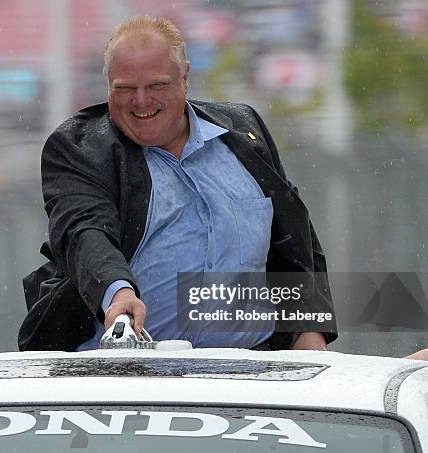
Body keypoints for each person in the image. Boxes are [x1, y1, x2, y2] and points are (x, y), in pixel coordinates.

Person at [18, 15, 337, 352]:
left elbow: (293, 237)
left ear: (185, 77)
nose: (141, 101)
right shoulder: (79, 147)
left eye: (156, 86)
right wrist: (117, 291)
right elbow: (83, 231)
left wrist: (308, 329)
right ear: (108, 85)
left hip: (251, 377)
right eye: (125, 88)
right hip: (118, 380)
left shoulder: (244, 130)